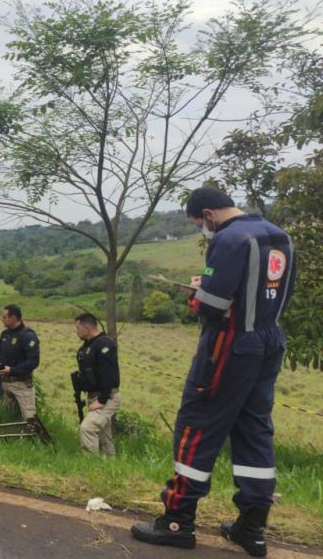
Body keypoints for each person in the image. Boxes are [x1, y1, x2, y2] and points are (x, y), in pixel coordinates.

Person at [131, 188, 296, 557]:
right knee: (254, 429)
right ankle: (251, 528)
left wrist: (197, 292)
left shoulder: (228, 238)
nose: (203, 230)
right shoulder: (280, 236)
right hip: (270, 340)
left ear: (208, 214)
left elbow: (212, 306)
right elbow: (281, 293)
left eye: (198, 224)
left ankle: (177, 521)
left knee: (197, 425)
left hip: (230, 346)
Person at [72, 312, 121, 456]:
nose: (76, 331)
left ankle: (91, 464)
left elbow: (108, 374)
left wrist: (102, 400)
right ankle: (110, 464)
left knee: (87, 428)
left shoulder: (104, 344)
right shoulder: (87, 346)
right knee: (104, 437)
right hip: (94, 396)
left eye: (77, 328)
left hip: (107, 396)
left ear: (87, 327)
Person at [0, 304, 41, 426]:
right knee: (6, 419)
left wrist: (12, 370)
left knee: (30, 419)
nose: (2, 319)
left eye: (4, 317)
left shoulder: (28, 336)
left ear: (13, 318)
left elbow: (33, 362)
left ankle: (35, 437)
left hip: (21, 384)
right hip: (3, 384)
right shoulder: (5, 334)